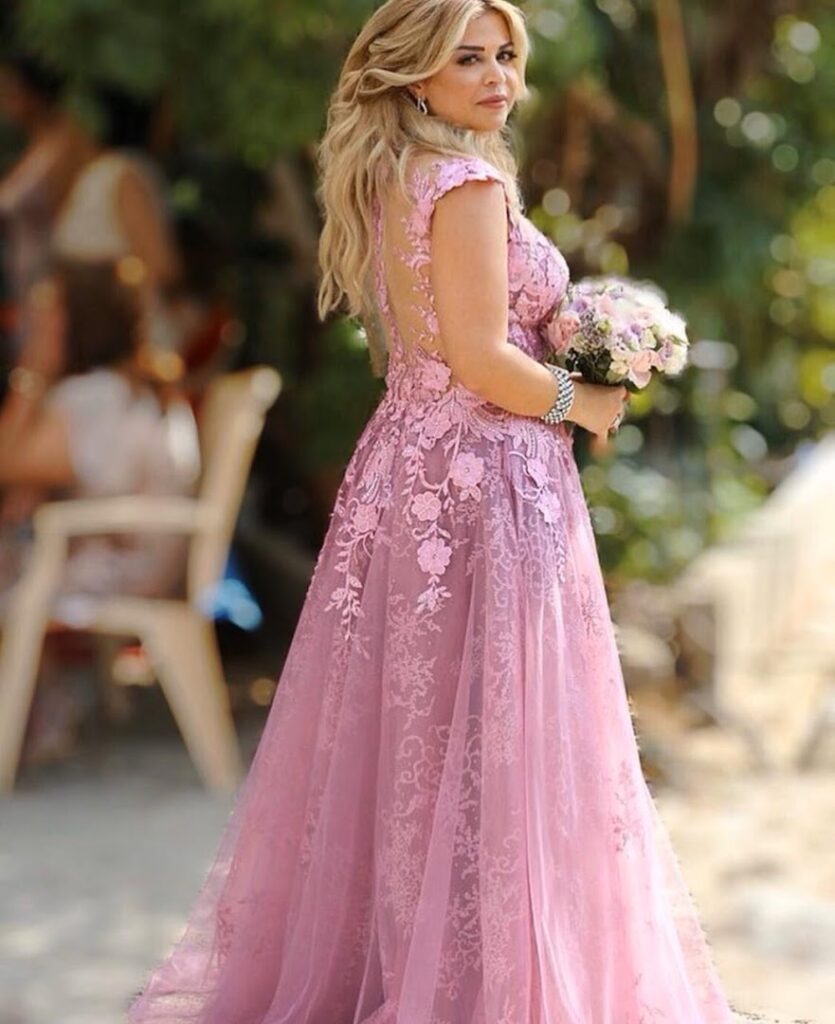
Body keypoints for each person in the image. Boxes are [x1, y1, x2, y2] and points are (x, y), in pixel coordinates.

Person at [128, 2, 739, 1022]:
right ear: (413, 75)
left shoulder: (405, 174)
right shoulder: (462, 183)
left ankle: (431, 966)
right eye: (469, 57)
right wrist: (579, 400)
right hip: (483, 482)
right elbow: (477, 358)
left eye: (506, 54)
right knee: (497, 732)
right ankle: (481, 986)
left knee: (424, 735)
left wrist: (587, 330)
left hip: (415, 470)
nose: (498, 74)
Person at [0, 257, 199, 761]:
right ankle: (40, 707)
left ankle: (35, 711)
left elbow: (7, 461)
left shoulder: (90, 396)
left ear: (77, 323)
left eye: (44, 319)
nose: (28, 325)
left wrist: (32, 371)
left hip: (124, 563)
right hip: (145, 554)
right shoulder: (126, 385)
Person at [0, 50, 95, 352]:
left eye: (11, 90)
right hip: (24, 282)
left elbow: (73, 218)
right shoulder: (34, 145)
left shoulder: (67, 142)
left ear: (34, 93)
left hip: (52, 281)